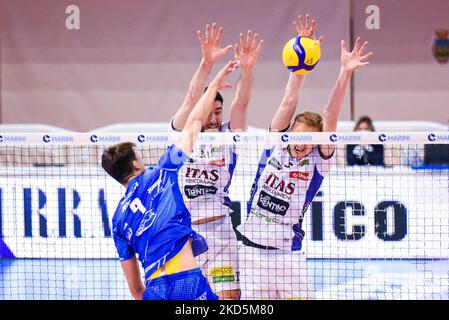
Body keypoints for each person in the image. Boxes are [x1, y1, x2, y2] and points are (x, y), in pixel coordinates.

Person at [237, 14, 373, 299]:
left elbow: (331, 114)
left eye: (307, 140)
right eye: (297, 136)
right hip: (250, 252)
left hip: (289, 256)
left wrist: (345, 72)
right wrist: (302, 58)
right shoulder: (275, 143)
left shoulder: (318, 162)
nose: (300, 144)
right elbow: (289, 100)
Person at [101, 60, 239, 300]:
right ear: (135, 163)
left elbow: (136, 291)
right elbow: (194, 121)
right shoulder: (162, 174)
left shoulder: (118, 220)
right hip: (187, 281)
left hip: (155, 289)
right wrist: (214, 79)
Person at [169, 23, 263, 300]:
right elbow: (190, 97)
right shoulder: (184, 133)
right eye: (210, 111)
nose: (214, 117)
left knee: (229, 298)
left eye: (218, 112)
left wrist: (247, 71)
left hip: (220, 234)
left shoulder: (228, 137)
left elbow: (242, 105)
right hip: (185, 235)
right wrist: (207, 63)